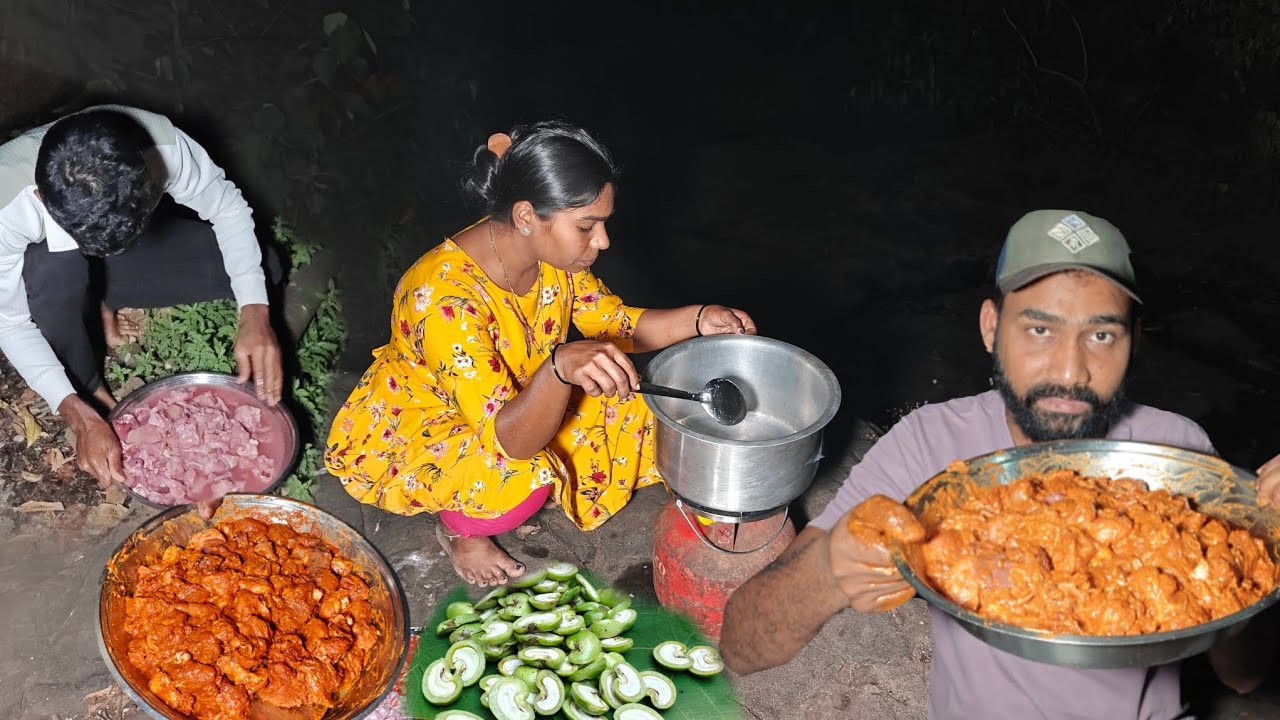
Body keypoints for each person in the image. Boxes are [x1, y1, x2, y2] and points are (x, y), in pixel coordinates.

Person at [720, 209, 1280, 718]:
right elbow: (741, 645)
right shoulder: (930, 448)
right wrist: (826, 575)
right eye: (1040, 329)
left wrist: (1267, 544)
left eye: (1102, 334)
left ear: (1134, 341)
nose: (1071, 370)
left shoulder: (1176, 455)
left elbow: (1243, 675)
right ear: (991, 327)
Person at [324, 121, 757, 587]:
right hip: (431, 420)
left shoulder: (550, 256)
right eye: (587, 226)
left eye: (603, 224)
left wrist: (699, 318)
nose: (603, 241)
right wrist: (558, 369)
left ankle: (542, 473)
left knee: (647, 408)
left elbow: (615, 323)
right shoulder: (442, 300)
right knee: (523, 476)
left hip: (523, 393)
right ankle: (460, 529)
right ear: (528, 217)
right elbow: (508, 439)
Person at [0, 105, 283, 491]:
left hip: (129, 234)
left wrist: (255, 313)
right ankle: (92, 389)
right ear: (40, 197)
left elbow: (228, 209)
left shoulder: (163, 146)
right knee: (51, 272)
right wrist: (75, 410)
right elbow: (9, 322)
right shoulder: (6, 207)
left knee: (265, 264)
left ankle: (102, 296)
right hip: (52, 263)